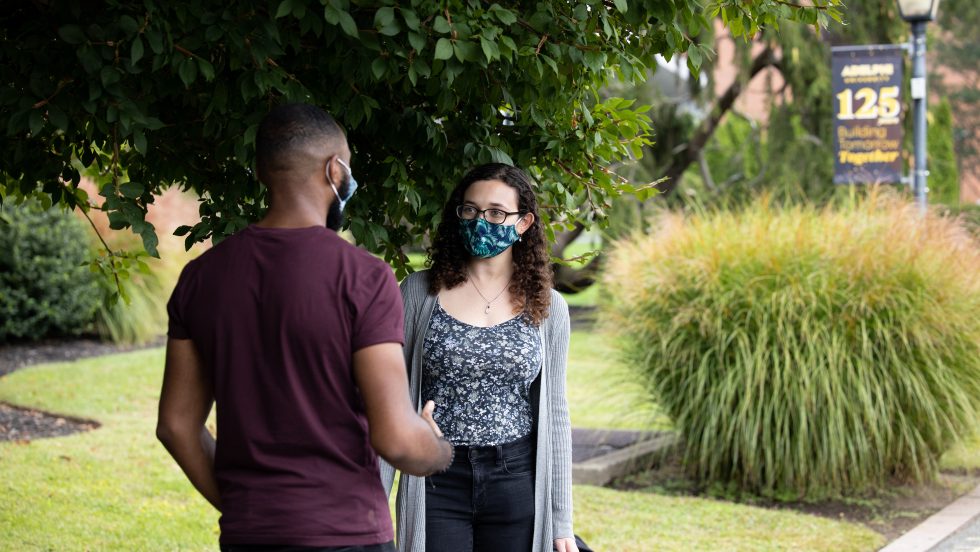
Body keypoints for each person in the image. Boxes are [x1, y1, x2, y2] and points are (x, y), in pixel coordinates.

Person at [157, 103, 453, 552]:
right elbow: (397, 438)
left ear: (263, 173)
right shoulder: (363, 277)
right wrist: (438, 448)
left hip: (250, 535)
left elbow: (177, 425)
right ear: (336, 171)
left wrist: (243, 505)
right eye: (348, 168)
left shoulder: (201, 277)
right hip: (348, 534)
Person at [381, 163, 578, 552]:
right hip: (436, 477)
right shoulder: (420, 292)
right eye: (470, 210)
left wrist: (561, 522)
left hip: (516, 479)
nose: (481, 221)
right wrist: (371, 506)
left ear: (523, 223)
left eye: (496, 213)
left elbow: (555, 414)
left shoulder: (548, 307)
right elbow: (390, 400)